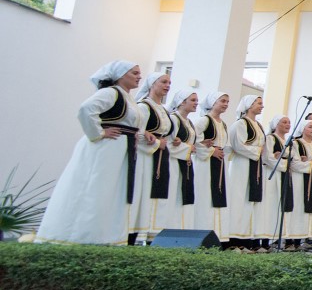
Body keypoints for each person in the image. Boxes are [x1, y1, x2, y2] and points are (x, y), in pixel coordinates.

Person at [36, 61, 142, 246]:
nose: (139, 76)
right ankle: (82, 235)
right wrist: (99, 133)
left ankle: (106, 235)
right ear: (120, 75)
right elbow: (86, 109)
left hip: (121, 150)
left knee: (112, 192)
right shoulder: (111, 93)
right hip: (106, 148)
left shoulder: (128, 97)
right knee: (97, 189)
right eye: (134, 73)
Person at [131, 71, 174, 241]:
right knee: (143, 191)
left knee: (157, 191)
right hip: (145, 157)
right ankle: (138, 232)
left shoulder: (163, 109)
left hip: (160, 156)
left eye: (169, 83)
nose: (167, 86)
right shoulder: (143, 106)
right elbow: (137, 134)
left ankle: (153, 232)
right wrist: (156, 143)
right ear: (151, 84)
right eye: (163, 82)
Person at [228, 95, 268, 249]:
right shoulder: (240, 124)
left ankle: (247, 238)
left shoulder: (258, 125)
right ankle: (234, 239)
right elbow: (238, 145)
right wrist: (258, 151)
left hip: (254, 166)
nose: (261, 106)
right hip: (242, 166)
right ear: (249, 105)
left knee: (250, 201)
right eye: (259, 103)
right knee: (239, 199)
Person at [192, 90, 231, 240]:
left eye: (227, 102)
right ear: (212, 102)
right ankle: (202, 232)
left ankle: (217, 234)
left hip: (219, 164)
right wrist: (210, 151)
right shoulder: (204, 121)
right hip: (205, 164)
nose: (225, 104)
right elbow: (194, 139)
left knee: (217, 196)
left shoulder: (223, 124)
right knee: (205, 196)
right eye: (222, 101)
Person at [163, 86, 200, 230]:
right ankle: (168, 228)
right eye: (193, 100)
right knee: (172, 195)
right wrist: (188, 148)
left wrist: (191, 147)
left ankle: (181, 228)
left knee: (182, 196)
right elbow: (169, 144)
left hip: (185, 163)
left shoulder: (189, 122)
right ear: (182, 102)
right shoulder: (173, 119)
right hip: (173, 163)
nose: (196, 103)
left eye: (196, 100)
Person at [261, 115, 298, 248]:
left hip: (285, 175)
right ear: (276, 124)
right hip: (273, 174)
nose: (287, 124)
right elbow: (268, 157)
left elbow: (294, 158)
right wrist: (284, 163)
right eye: (284, 122)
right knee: (271, 205)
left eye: (289, 122)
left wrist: (283, 159)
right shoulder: (270, 138)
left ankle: (281, 238)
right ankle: (265, 240)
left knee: (283, 205)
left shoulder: (289, 141)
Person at [291, 119, 312, 240]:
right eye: (310, 127)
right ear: (303, 128)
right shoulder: (296, 143)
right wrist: (310, 164)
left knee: (310, 205)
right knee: (299, 204)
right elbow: (294, 163)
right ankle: (293, 238)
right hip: (300, 178)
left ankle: (306, 236)